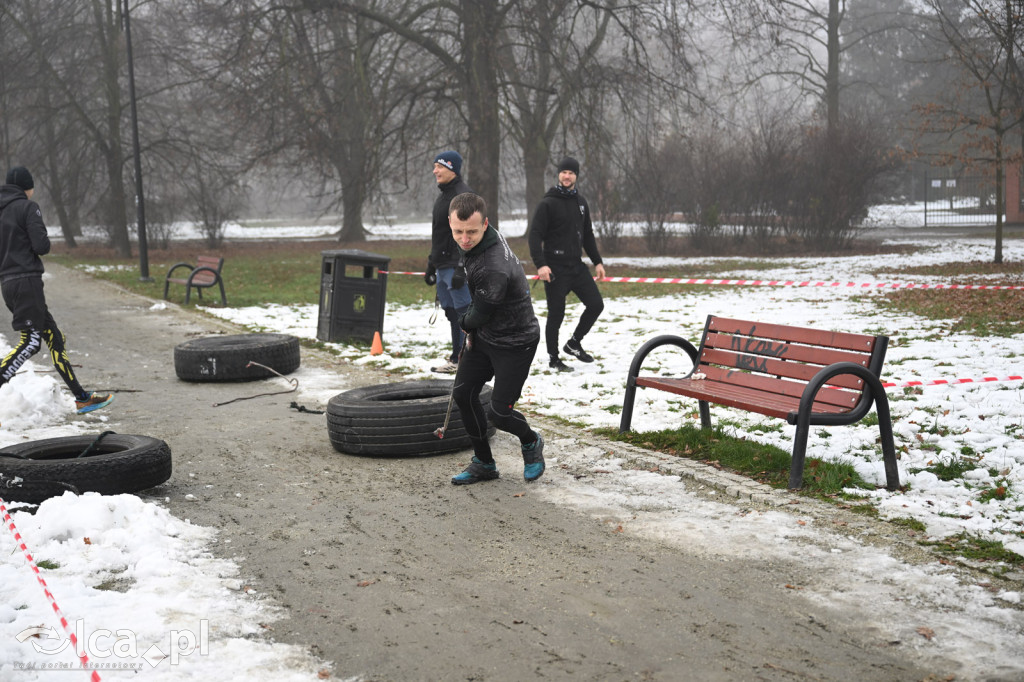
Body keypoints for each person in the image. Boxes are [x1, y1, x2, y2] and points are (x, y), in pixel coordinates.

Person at [447, 192, 544, 485]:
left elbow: (478, 315)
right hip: (487, 337)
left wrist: (463, 322)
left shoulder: (494, 267)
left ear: (486, 224)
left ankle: (531, 441)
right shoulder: (479, 240)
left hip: (516, 341)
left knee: (500, 414)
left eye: (471, 232)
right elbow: (468, 261)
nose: (464, 238)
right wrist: (459, 274)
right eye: (458, 231)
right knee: (464, 395)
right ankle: (484, 464)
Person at [0, 166, 112, 414]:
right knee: (30, 342)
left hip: (8, 283)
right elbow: (42, 246)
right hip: (27, 281)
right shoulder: (28, 207)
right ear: (27, 188)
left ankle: (81, 397)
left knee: (54, 337)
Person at [528, 156, 606, 371]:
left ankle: (573, 343)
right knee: (557, 313)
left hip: (576, 267)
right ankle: (553, 358)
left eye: (571, 173)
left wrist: (597, 261)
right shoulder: (548, 203)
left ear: (576, 176)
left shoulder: (581, 203)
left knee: (596, 304)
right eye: (564, 172)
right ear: (559, 174)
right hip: (554, 268)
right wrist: (541, 264)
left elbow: (588, 235)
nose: (567, 176)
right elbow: (535, 235)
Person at [424, 150, 473, 374]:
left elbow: (469, 235)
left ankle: (473, 360)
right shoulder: (444, 195)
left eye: (439, 166)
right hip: (443, 264)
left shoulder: (462, 196)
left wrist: (463, 266)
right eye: (434, 166)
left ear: (452, 168)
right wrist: (431, 264)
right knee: (452, 313)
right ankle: (457, 358)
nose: (435, 171)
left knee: (465, 314)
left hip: (456, 265)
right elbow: (440, 233)